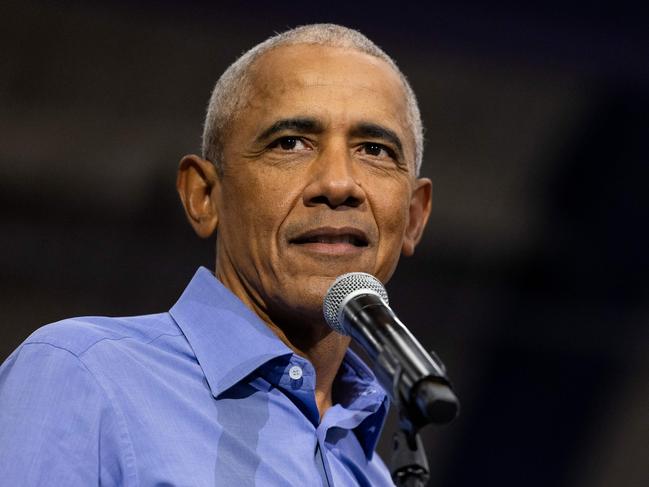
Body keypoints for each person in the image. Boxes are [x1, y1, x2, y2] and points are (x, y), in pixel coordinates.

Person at [0, 24, 432, 486]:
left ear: (412, 217)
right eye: (290, 143)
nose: (338, 184)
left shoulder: (375, 474)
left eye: (375, 150)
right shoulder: (86, 376)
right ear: (204, 195)